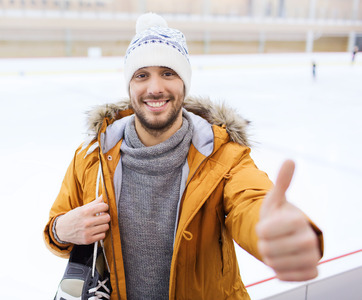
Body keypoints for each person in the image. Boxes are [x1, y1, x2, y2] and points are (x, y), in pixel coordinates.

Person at [44, 13, 323, 300]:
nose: (155, 88)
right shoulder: (92, 157)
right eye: (142, 75)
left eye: (168, 73)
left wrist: (272, 228)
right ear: (129, 85)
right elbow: (56, 230)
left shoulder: (223, 155)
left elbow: (250, 201)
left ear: (184, 84)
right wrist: (62, 229)